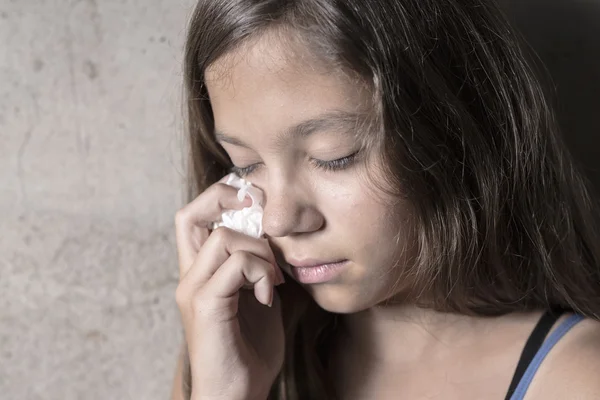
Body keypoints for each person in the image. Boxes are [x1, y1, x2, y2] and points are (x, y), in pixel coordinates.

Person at [171, 0, 600, 399]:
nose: (279, 220)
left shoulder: (576, 379)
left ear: (449, 133)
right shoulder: (234, 355)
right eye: (245, 165)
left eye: (333, 157)